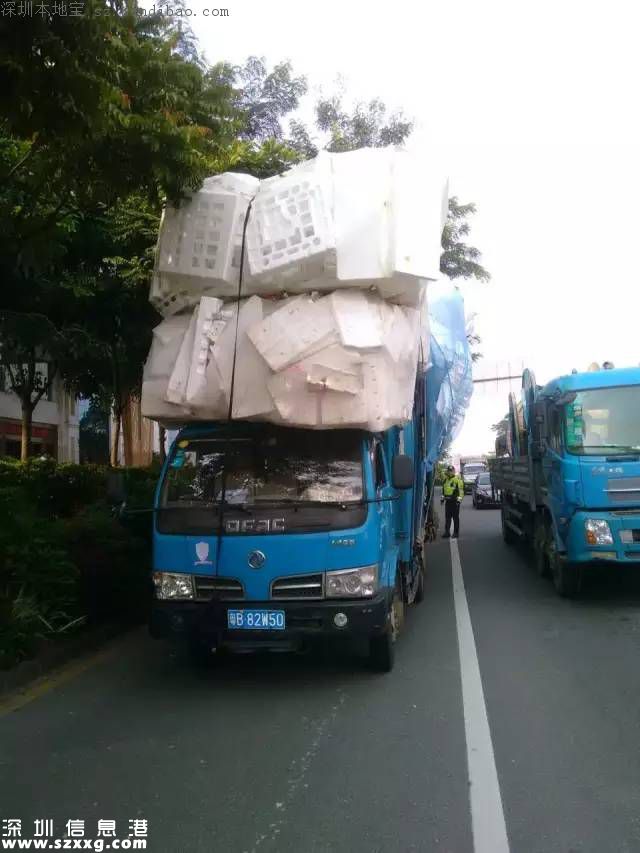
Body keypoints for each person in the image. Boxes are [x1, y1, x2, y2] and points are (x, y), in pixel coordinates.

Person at [441, 465, 464, 538]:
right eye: (449, 471)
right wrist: (442, 499)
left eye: (451, 471)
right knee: (447, 518)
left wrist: (459, 501)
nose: (450, 472)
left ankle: (456, 533)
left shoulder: (457, 480)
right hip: (448, 502)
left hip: (455, 502)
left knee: (455, 518)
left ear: (454, 471)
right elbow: (443, 491)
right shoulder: (445, 480)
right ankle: (447, 532)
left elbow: (461, 491)